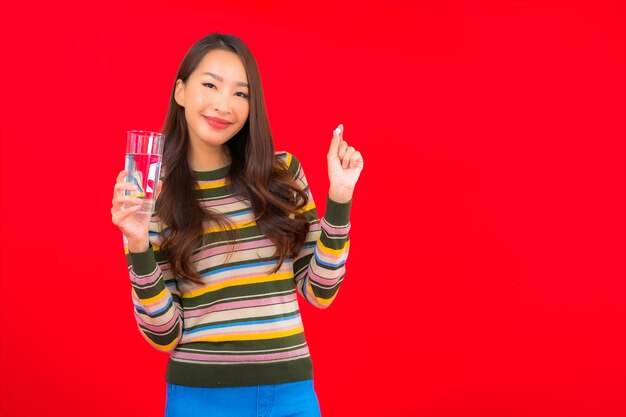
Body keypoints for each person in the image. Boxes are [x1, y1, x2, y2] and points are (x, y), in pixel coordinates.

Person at [111, 33, 364, 417]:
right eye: (210, 85)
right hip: (200, 400)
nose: (223, 105)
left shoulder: (282, 174)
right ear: (181, 91)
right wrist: (137, 243)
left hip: (290, 396)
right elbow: (163, 334)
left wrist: (339, 200)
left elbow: (320, 292)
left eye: (240, 94)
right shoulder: (152, 195)